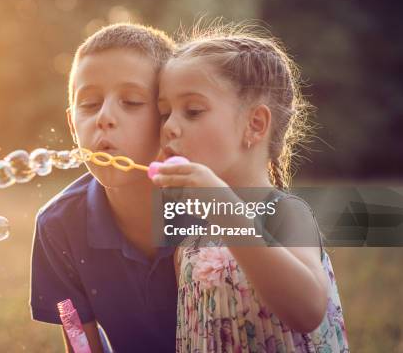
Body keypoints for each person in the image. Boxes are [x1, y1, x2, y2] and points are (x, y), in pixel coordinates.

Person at [151, 24, 349, 352]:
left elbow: (308, 310)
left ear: (255, 125)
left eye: (193, 111)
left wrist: (221, 206)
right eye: (164, 113)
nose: (169, 126)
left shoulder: (285, 213)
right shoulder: (190, 236)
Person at [30, 23, 178, 352]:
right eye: (90, 104)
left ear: (167, 116)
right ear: (72, 126)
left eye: (132, 101)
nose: (105, 117)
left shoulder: (215, 204)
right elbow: (80, 343)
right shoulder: (57, 226)